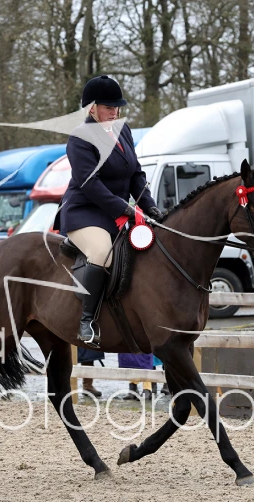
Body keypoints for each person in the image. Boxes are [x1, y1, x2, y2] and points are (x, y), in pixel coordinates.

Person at [53, 75, 162, 347]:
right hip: (85, 212)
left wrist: (150, 206)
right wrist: (125, 208)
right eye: (108, 107)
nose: (115, 112)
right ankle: (86, 322)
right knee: (102, 253)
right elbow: (91, 184)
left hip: (115, 212)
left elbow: (135, 174)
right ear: (92, 108)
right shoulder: (80, 138)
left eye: (117, 107)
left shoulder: (123, 131)